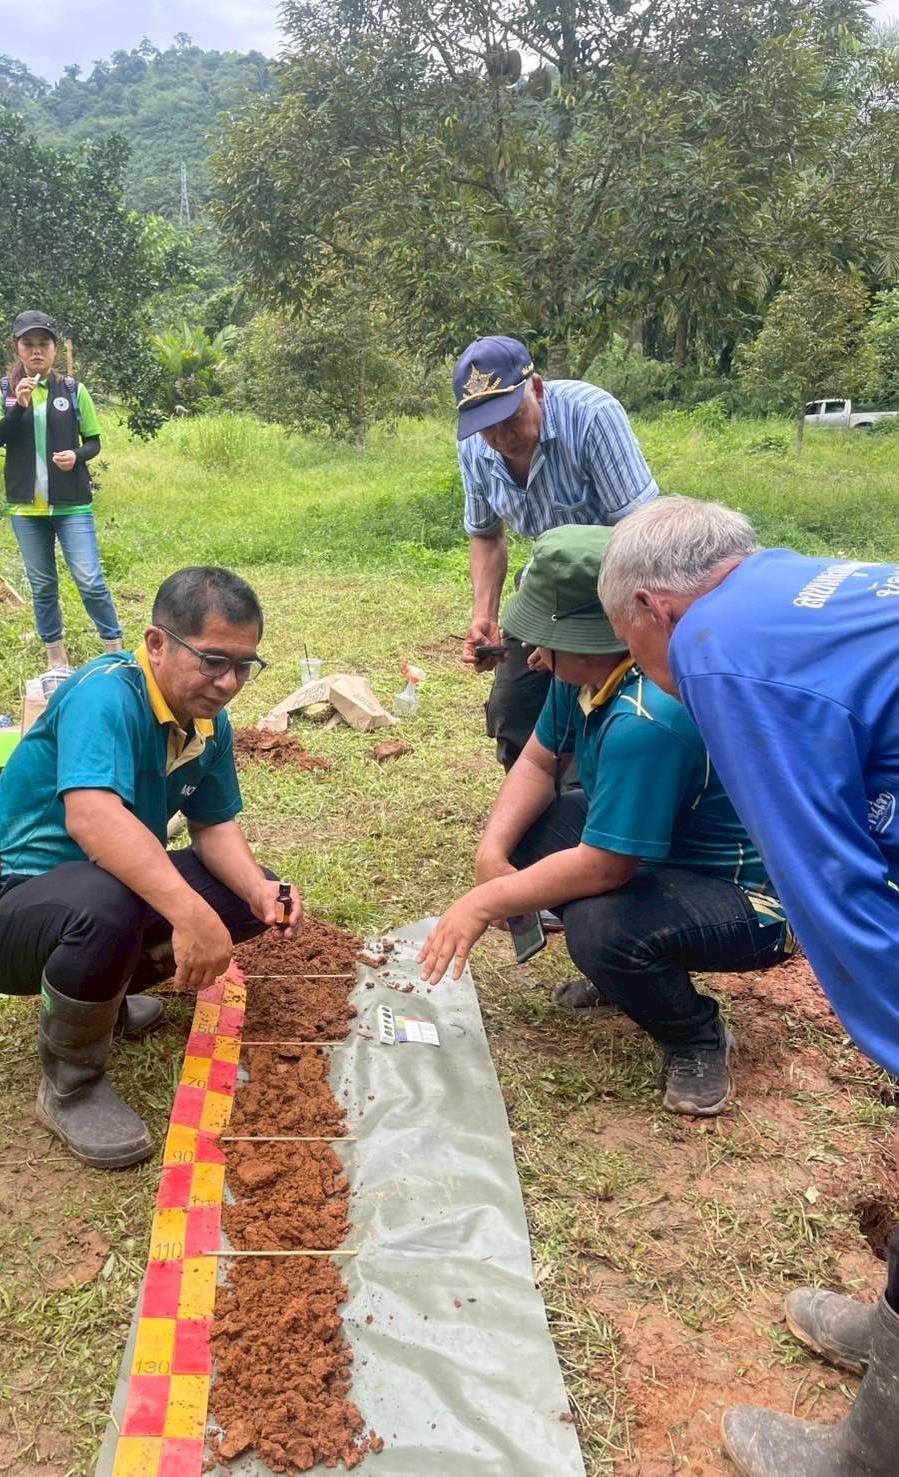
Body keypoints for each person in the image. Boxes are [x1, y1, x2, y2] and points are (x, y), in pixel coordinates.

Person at [598, 495, 899, 1476]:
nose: (651, 677)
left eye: (631, 649)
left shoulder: (719, 650)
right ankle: (885, 1330)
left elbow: (827, 880)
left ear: (656, 609)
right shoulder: (794, 587)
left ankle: (866, 1454)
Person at [419, 525, 794, 1116]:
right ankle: (629, 982)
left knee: (603, 927)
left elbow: (605, 866)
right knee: (533, 838)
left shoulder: (647, 720)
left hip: (755, 899)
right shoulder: (588, 673)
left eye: (547, 640)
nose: (534, 656)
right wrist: (493, 856)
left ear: (601, 634)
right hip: (661, 852)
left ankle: (694, 1034)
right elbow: (539, 763)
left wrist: (483, 902)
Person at [0, 567, 302, 1170]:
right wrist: (188, 914)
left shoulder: (209, 723)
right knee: (108, 903)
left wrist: (259, 890)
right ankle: (70, 1084)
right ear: (157, 643)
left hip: (93, 889)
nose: (228, 682)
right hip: (6, 912)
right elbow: (93, 821)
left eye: (244, 666)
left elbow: (212, 826)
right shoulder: (105, 693)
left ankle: (102, 994)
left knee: (239, 892)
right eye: (213, 660)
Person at [455, 335, 658, 771]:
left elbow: (641, 537)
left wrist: (571, 637)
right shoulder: (475, 446)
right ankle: (539, 805)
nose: (501, 437)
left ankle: (594, 801)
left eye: (510, 417)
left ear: (538, 390)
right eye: (486, 426)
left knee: (604, 710)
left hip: (614, 589)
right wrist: (485, 616)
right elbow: (487, 536)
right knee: (515, 707)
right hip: (546, 590)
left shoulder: (592, 417)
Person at [0, 310, 123, 670]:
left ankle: (115, 652)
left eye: (44, 343)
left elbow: (93, 443)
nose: (36, 351)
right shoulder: (2, 392)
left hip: (72, 505)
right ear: (17, 349)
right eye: (28, 344)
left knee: (90, 580)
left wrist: (75, 456)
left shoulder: (73, 390)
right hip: (26, 510)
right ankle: (56, 658)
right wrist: (18, 408)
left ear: (55, 348)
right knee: (43, 585)